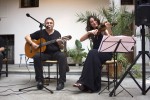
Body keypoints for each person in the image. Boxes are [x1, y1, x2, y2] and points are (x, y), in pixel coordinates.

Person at [25, 17, 68, 90]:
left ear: (53, 24)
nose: (49, 24)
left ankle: (61, 82)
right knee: (36, 56)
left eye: (51, 23)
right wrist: (32, 43)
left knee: (63, 56)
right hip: (44, 54)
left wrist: (60, 44)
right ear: (45, 24)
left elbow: (61, 47)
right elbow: (27, 36)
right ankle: (40, 81)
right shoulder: (40, 32)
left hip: (55, 53)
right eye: (47, 23)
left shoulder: (57, 33)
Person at [73, 15, 113, 93]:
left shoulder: (103, 29)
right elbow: (81, 39)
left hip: (105, 53)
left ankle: (82, 82)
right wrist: (89, 32)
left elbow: (110, 38)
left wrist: (107, 28)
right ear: (90, 24)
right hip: (95, 54)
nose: (94, 22)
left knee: (92, 52)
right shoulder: (92, 32)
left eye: (95, 20)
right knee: (93, 57)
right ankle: (89, 85)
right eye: (91, 22)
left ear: (97, 21)